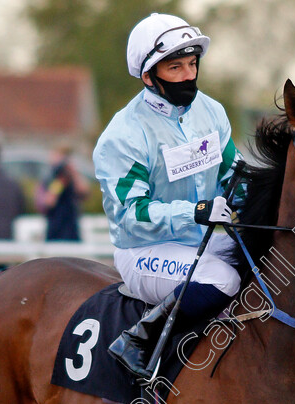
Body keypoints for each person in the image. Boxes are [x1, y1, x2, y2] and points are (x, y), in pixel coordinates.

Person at [93, 13, 244, 378]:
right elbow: (130, 214)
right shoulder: (123, 134)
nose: (188, 75)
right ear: (149, 76)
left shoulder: (212, 111)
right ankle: (140, 337)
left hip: (199, 243)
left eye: (192, 64)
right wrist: (194, 211)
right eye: (175, 67)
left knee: (264, 263)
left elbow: (233, 176)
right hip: (142, 252)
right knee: (225, 280)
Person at [35, 145, 90, 241]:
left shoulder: (72, 177)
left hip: (71, 228)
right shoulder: (50, 178)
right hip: (55, 228)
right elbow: (49, 202)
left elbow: (84, 193)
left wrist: (73, 173)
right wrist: (60, 183)